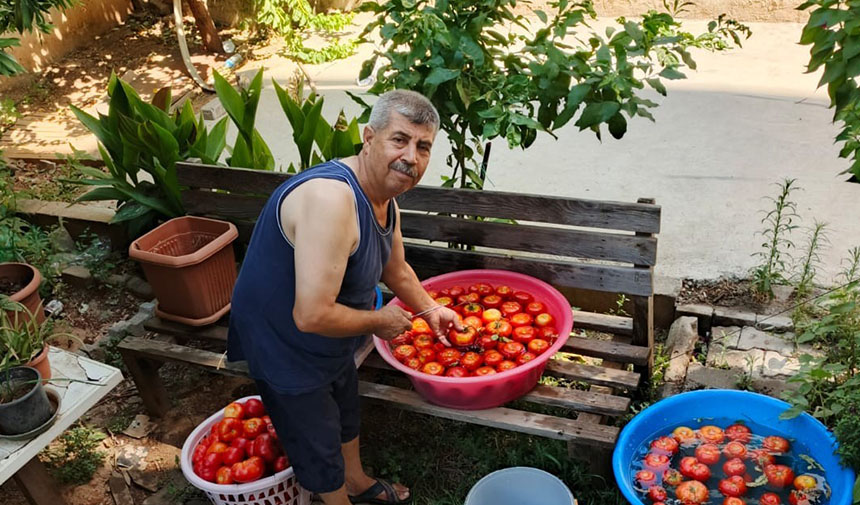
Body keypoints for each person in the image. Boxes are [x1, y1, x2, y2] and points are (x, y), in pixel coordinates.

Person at [227, 90, 462, 505]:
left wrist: (430, 309)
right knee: (314, 436)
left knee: (344, 407)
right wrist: (379, 323)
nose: (411, 157)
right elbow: (311, 314)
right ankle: (337, 499)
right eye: (399, 140)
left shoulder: (385, 196)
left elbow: (396, 268)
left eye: (423, 147)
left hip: (335, 329)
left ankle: (356, 480)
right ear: (368, 138)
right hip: (283, 338)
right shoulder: (331, 199)